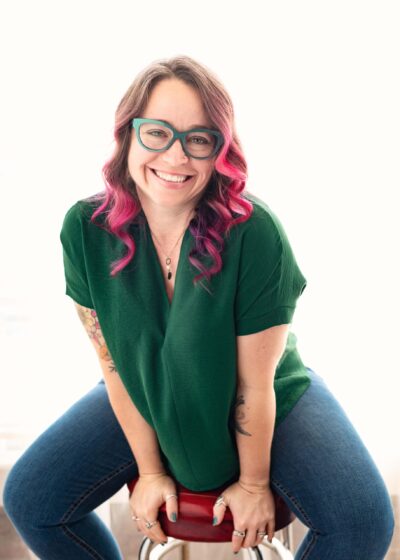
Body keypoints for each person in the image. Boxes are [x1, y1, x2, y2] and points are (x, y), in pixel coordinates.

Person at [3, 55, 394, 560]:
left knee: (362, 521)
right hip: (145, 385)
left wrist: (253, 484)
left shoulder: (255, 232)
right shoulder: (84, 228)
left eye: (199, 140)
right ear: (128, 134)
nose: (176, 156)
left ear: (219, 151)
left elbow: (253, 383)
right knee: (32, 499)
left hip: (262, 387)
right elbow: (113, 364)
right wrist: (149, 471)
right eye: (157, 133)